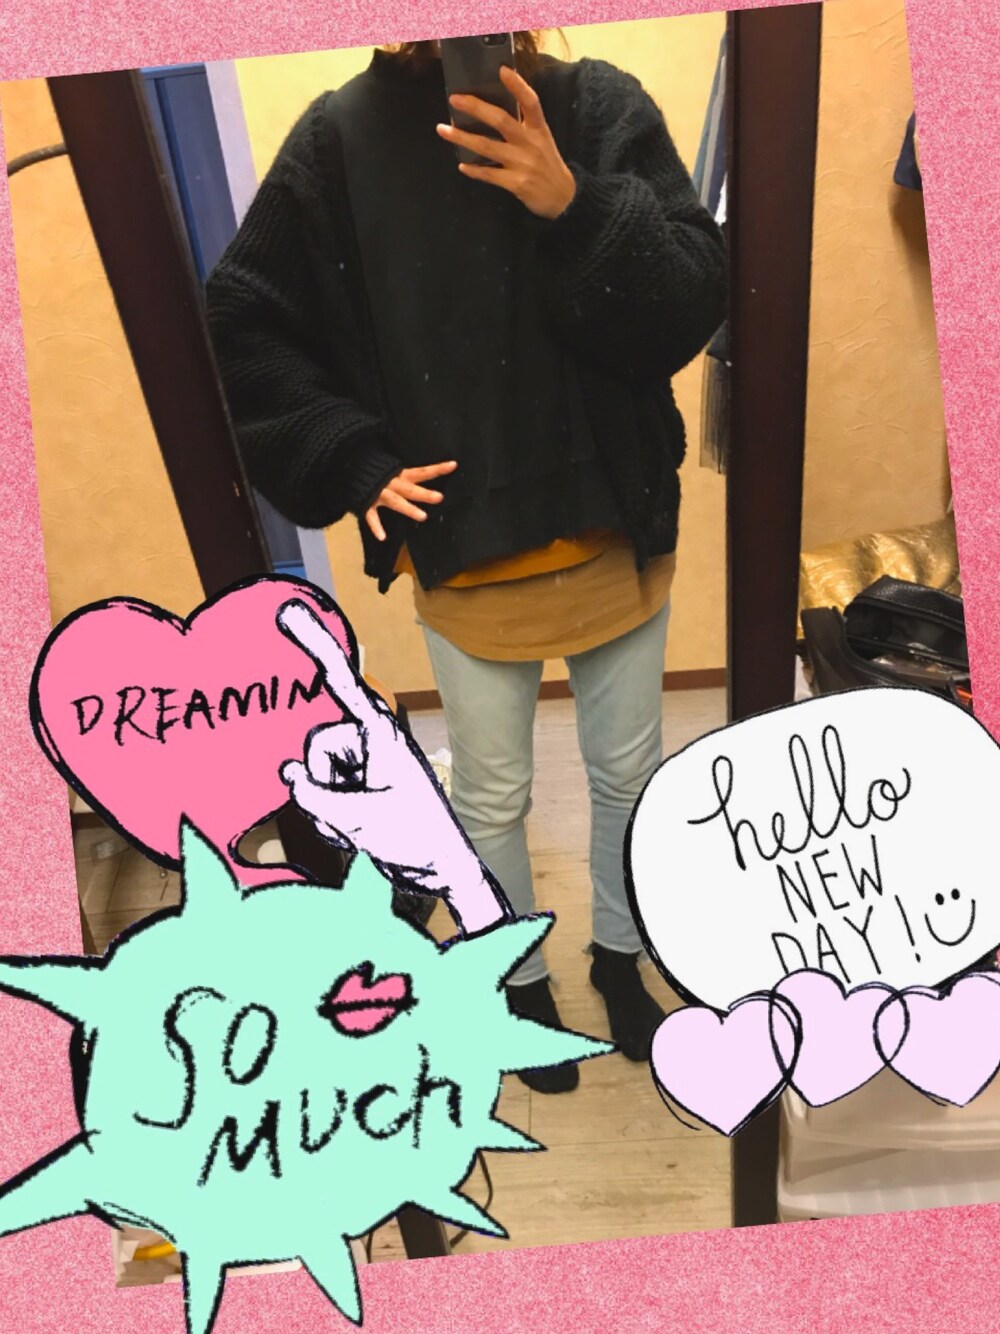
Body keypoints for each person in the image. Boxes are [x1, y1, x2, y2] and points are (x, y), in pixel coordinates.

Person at [205, 32, 727, 1094]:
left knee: (629, 775)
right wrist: (347, 455)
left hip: (611, 525)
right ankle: (514, 975)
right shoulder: (339, 139)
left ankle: (618, 957)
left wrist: (573, 203)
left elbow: (691, 297)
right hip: (462, 541)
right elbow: (244, 316)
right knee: (489, 796)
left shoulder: (597, 106)